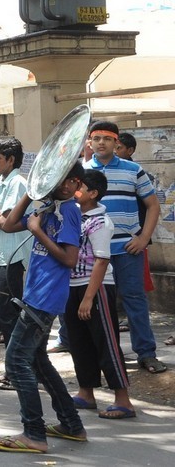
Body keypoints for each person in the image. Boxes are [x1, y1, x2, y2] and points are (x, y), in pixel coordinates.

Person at [0, 163, 86, 454]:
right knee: (37, 361)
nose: (64, 185)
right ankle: (71, 424)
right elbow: (8, 226)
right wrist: (30, 194)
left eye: (71, 180)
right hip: (36, 294)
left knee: (16, 361)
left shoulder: (68, 211)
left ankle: (33, 433)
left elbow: (70, 259)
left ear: (77, 183)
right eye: (60, 179)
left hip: (45, 297)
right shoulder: (48, 207)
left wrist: (37, 231)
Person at [86, 121, 165, 374]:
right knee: (100, 305)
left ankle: (146, 353)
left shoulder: (134, 170)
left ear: (116, 142)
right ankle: (109, 355)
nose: (101, 143)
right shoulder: (82, 171)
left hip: (128, 249)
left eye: (106, 139)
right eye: (96, 138)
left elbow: (153, 206)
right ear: (90, 141)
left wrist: (143, 239)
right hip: (94, 253)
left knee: (135, 300)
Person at [67, 169, 135, 419]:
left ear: (93, 193)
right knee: (79, 341)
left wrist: (88, 297)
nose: (75, 190)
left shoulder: (100, 221)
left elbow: (102, 261)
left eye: (80, 187)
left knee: (106, 341)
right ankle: (86, 392)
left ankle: (123, 400)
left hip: (96, 288)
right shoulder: (75, 216)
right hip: (73, 285)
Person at [0, 138, 29, 378]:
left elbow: (8, 222)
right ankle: (12, 368)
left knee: (11, 314)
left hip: (12, 256)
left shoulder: (19, 184)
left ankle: (16, 370)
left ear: (11, 160)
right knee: (3, 314)